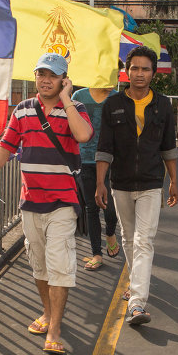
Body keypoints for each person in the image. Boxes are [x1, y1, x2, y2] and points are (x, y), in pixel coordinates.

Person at [0, 52, 92, 355]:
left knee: (60, 266)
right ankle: (48, 313)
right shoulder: (23, 110)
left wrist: (67, 99)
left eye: (52, 75)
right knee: (39, 266)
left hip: (63, 203)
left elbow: (83, 135)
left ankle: (54, 329)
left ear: (64, 80)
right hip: (30, 201)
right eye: (41, 74)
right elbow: (7, 144)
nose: (45, 80)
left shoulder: (75, 109)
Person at [96, 44, 178, 327]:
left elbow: (169, 146)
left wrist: (174, 182)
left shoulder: (164, 105)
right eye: (134, 68)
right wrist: (100, 183)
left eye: (145, 69)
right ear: (126, 72)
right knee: (130, 240)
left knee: (145, 241)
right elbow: (105, 148)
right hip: (120, 183)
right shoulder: (113, 105)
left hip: (152, 183)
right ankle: (135, 285)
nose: (139, 73)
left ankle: (137, 303)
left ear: (154, 73)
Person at [72, 85, 120, 269]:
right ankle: (96, 254)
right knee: (91, 207)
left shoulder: (117, 98)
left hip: (110, 160)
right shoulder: (79, 95)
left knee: (110, 207)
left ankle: (110, 232)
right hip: (84, 159)